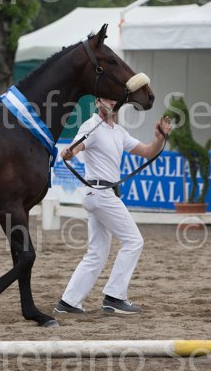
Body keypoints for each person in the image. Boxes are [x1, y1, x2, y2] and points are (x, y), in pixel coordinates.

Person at [54, 97, 171, 315]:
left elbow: (147, 151)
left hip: (101, 194)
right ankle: (114, 297)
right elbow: (76, 147)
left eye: (114, 99)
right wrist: (70, 152)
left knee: (97, 253)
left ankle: (68, 302)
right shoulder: (91, 125)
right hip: (100, 193)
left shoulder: (119, 132)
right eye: (106, 99)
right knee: (134, 241)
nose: (111, 102)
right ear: (98, 102)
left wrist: (159, 138)